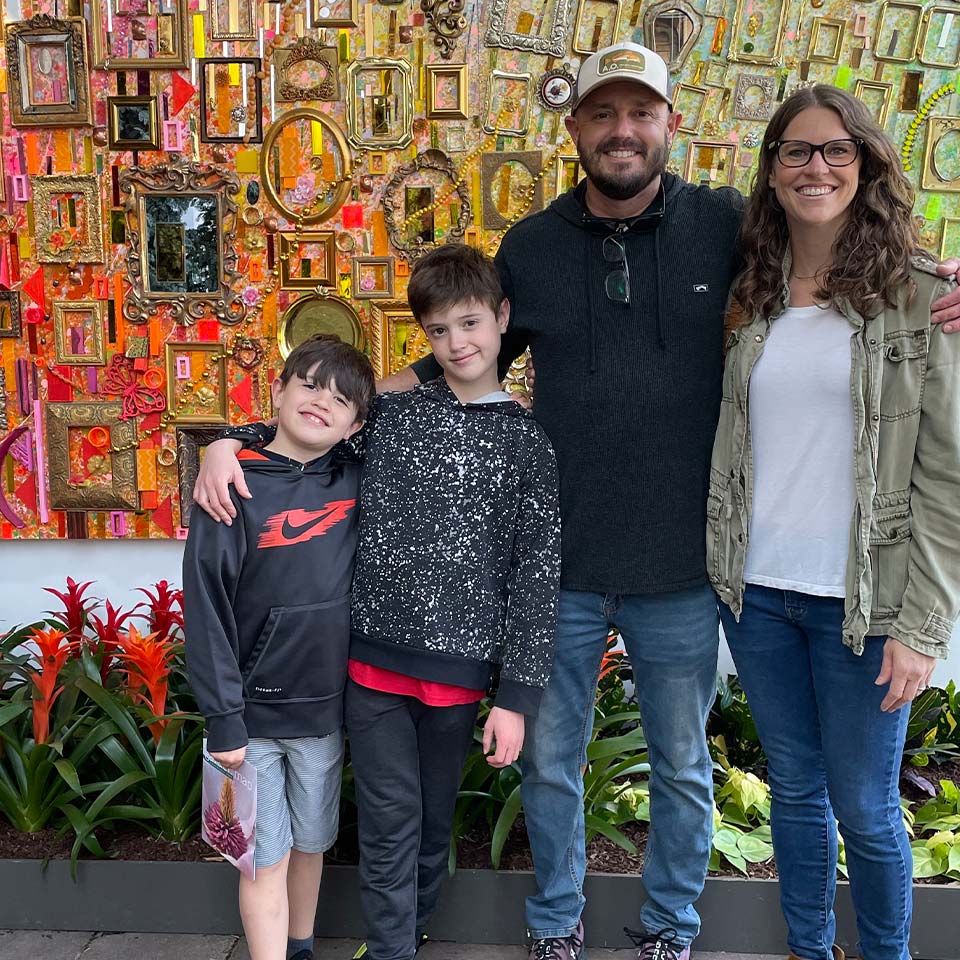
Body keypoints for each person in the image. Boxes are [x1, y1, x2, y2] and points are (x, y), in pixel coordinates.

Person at [194, 43, 960, 960]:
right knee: (552, 766)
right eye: (604, 114)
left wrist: (941, 282)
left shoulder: (726, 226)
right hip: (558, 568)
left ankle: (671, 925)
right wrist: (245, 438)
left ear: (672, 124)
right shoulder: (533, 249)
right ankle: (556, 923)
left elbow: (842, 244)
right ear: (576, 129)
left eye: (641, 112)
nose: (623, 130)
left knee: (682, 767)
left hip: (683, 569)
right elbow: (454, 362)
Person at [197, 244, 561, 960]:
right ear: (422, 336)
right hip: (371, 673)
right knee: (390, 824)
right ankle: (391, 950)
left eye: (470, 325)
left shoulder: (527, 443)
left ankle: (410, 931)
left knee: (429, 827)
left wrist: (516, 697)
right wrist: (224, 444)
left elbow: (536, 574)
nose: (456, 344)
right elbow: (305, 437)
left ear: (502, 320)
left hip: (457, 679)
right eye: (437, 331)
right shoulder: (393, 415)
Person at [707, 85, 959, 960]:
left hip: (867, 602)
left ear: (866, 164)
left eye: (835, 150)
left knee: (868, 807)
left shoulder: (919, 297)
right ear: (772, 171)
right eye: (796, 152)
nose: (816, 167)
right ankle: (810, 952)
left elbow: (946, 477)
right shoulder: (751, 294)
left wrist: (922, 627)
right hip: (762, 592)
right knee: (797, 795)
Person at [183, 335, 375, 960]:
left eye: (342, 399)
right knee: (262, 862)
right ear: (278, 390)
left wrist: (222, 439)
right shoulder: (231, 487)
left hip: (324, 714)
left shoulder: (357, 475)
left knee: (311, 847)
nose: (323, 402)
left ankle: (301, 949)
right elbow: (206, 609)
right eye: (311, 385)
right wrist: (224, 719)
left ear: (356, 423)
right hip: (251, 722)